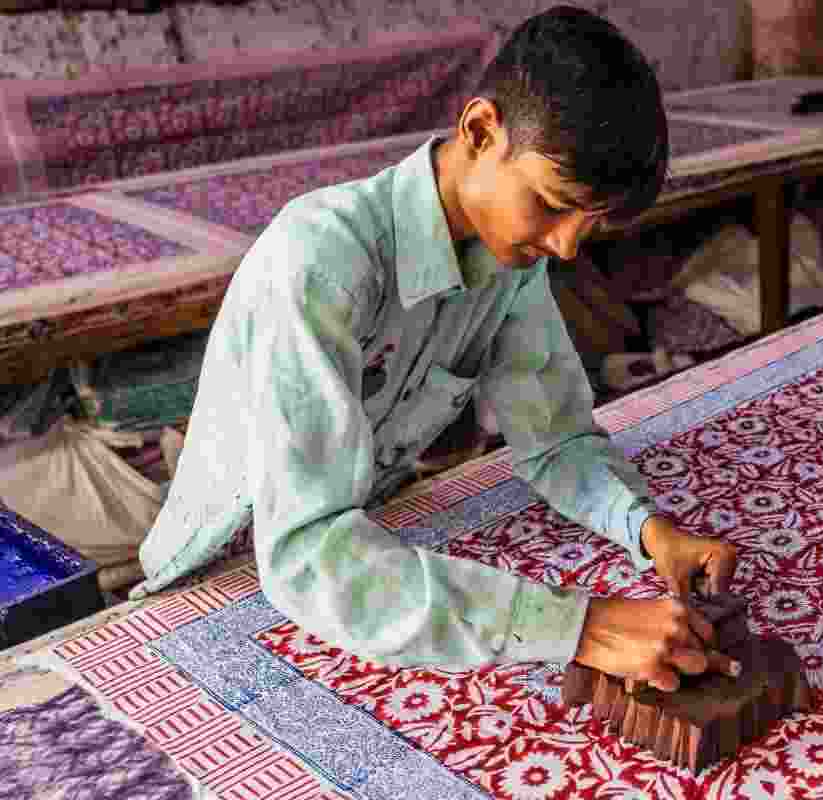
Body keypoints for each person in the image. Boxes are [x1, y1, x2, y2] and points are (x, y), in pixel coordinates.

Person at [130, 6, 740, 693]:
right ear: (481, 132)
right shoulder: (321, 260)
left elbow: (555, 439)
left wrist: (650, 531)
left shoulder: (511, 266)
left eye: (588, 224)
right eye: (552, 203)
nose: (568, 245)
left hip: (361, 551)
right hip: (234, 578)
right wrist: (582, 626)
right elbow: (302, 553)